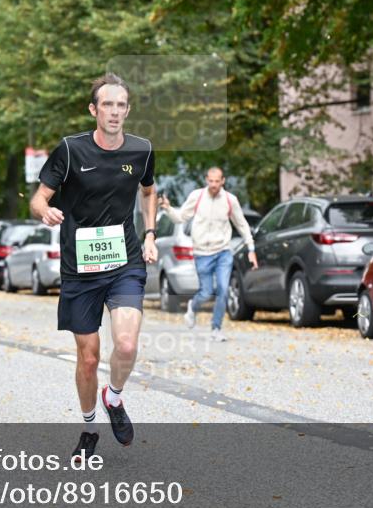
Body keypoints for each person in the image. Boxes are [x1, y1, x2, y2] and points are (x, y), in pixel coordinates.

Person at [30, 72, 158, 462]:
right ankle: (89, 429)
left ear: (128, 110)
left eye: (121, 105)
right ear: (94, 110)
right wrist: (45, 211)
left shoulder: (141, 150)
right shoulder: (70, 151)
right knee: (88, 358)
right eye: (107, 104)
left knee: (127, 343)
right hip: (79, 268)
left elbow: (149, 190)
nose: (115, 112)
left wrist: (150, 233)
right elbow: (38, 198)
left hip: (124, 261)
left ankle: (113, 399)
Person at [158, 167, 258, 341]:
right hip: (202, 253)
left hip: (223, 252)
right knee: (206, 292)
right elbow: (181, 217)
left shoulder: (229, 200)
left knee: (223, 289)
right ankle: (193, 305)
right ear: (206, 180)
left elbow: (242, 225)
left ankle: (216, 328)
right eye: (210, 181)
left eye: (217, 181)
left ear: (223, 181)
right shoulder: (196, 197)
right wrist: (168, 208)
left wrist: (251, 248)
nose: (213, 185)